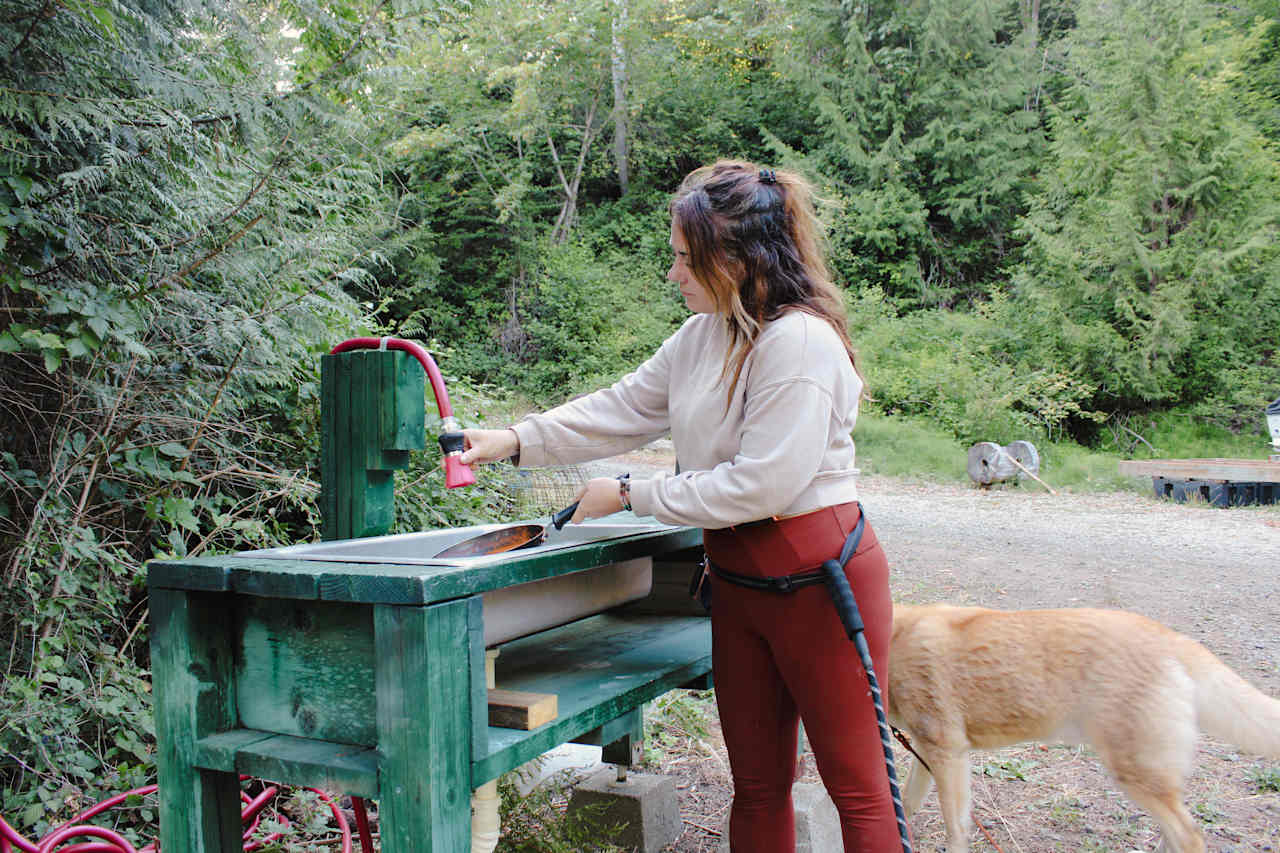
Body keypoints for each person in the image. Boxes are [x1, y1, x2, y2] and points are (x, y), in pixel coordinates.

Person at [460, 159, 903, 853]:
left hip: (823, 583)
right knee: (757, 785)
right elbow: (623, 406)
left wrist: (633, 493)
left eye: (684, 258)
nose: (673, 273)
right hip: (737, 585)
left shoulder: (800, 341)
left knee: (858, 787)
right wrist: (517, 438)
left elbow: (763, 485)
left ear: (736, 258)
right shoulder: (704, 336)